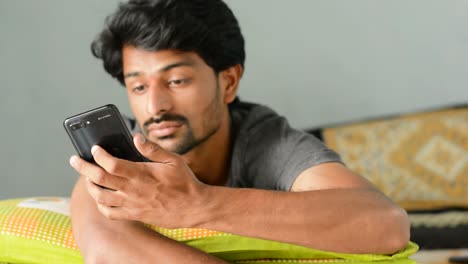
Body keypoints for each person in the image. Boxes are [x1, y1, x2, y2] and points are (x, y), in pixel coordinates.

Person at [68, 0, 410, 263]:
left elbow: (386, 224)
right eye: (138, 87)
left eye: (176, 80)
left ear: (228, 81)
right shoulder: (120, 155)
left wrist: (196, 205)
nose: (155, 106)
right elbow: (103, 247)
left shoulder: (266, 141)